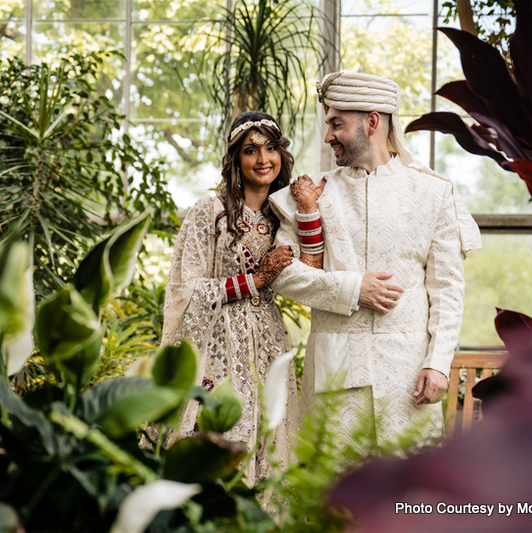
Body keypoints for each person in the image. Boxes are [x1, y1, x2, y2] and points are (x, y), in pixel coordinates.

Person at [269, 72, 482, 447]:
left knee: (410, 496)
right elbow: (282, 274)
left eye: (337, 124)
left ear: (371, 122)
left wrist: (437, 362)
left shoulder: (434, 192)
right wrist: (352, 289)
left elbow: (448, 288)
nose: (328, 136)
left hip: (409, 380)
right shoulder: (312, 193)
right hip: (334, 384)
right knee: (332, 499)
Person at [160, 111, 303, 483]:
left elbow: (312, 272)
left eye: (271, 148)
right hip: (219, 344)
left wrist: (309, 211)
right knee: (222, 433)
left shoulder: (284, 217)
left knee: (271, 435)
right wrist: (254, 279)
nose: (263, 159)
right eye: (250, 150)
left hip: (269, 341)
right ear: (235, 159)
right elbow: (184, 289)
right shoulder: (210, 213)